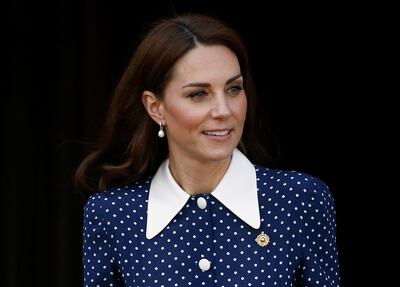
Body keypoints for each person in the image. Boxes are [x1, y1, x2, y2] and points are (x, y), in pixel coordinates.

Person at [75, 13, 340, 286]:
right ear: (155, 107)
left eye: (234, 89)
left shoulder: (300, 199)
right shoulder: (112, 215)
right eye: (198, 94)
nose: (223, 111)